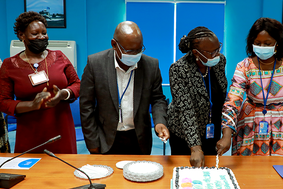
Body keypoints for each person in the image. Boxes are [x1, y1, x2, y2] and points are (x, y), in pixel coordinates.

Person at [216, 18, 283, 156]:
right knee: (250, 171)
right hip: (251, 123)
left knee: (281, 171)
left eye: (267, 43)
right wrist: (226, 133)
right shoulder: (244, 66)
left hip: (282, 123)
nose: (262, 47)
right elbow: (233, 101)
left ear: (278, 43)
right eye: (257, 43)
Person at [80, 21, 169, 155]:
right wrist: (92, 142)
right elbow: (86, 106)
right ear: (114, 45)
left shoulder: (151, 65)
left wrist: (160, 122)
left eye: (139, 50)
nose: (135, 55)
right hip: (106, 138)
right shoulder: (95, 64)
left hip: (139, 139)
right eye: (129, 51)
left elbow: (158, 99)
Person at [0, 12, 80, 153]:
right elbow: (3, 101)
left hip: (61, 129)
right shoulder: (9, 65)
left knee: (65, 171)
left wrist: (63, 94)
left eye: (44, 33)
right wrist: (31, 105)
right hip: (30, 132)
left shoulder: (59, 56)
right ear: (21, 35)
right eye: (35, 33)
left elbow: (77, 84)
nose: (41, 37)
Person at [167, 27, 227, 167]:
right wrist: (195, 147)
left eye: (218, 49)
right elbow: (185, 110)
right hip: (185, 134)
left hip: (212, 130)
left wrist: (225, 132)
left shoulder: (220, 62)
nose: (217, 54)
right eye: (212, 52)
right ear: (196, 52)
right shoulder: (179, 69)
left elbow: (222, 97)